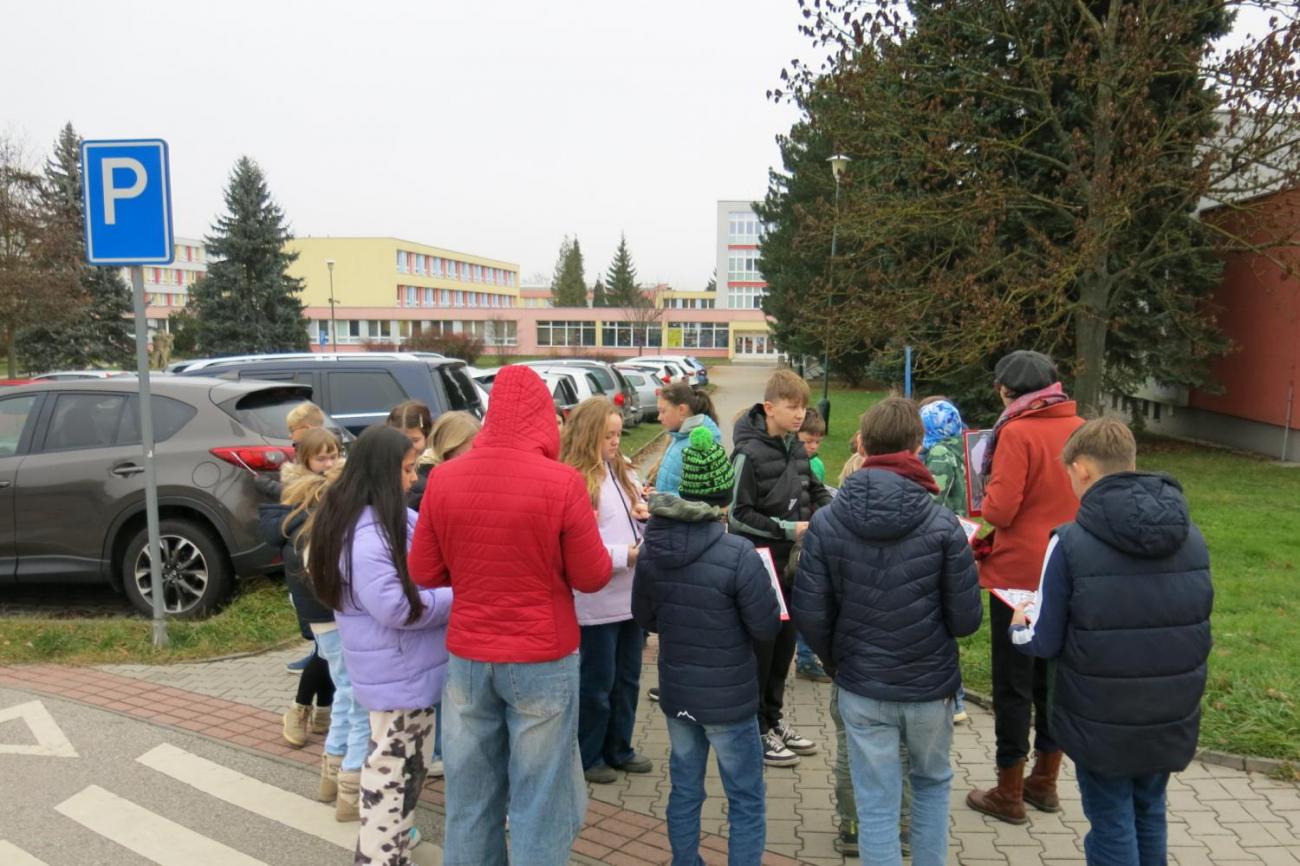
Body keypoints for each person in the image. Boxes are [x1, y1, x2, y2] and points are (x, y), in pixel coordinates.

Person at [409, 365, 613, 866]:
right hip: (542, 657)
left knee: (470, 797)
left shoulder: (445, 478)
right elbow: (592, 576)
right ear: (544, 419)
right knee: (539, 799)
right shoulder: (562, 482)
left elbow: (425, 570)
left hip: (469, 657)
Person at [1009, 418, 1212, 865]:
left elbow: (1042, 640)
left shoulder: (1069, 543)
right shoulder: (1192, 539)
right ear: (1132, 461)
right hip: (1170, 710)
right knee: (1149, 810)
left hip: (1100, 715)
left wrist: (1018, 623)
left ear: (1081, 470)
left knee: (1111, 821)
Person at [794, 398, 982, 866]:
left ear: (864, 445)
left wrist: (838, 662)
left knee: (876, 803)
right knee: (931, 786)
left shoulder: (827, 521)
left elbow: (811, 613)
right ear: (917, 446)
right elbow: (965, 620)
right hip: (928, 688)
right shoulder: (942, 524)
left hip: (862, 684)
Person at [632, 425, 781, 866]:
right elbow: (765, 625)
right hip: (731, 701)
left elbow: (646, 617)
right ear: (724, 499)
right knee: (746, 798)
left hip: (678, 694)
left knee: (684, 789)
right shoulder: (738, 555)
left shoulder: (653, 548)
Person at [305, 426, 453, 863]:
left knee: (405, 771)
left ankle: (394, 844)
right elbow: (397, 608)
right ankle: (379, 856)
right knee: (392, 776)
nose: (413, 479)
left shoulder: (388, 519)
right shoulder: (368, 536)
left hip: (405, 672)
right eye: (407, 470)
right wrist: (461, 595)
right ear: (382, 474)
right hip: (399, 675)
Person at [967, 350, 1084, 825]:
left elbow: (998, 511)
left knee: (1013, 684)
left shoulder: (1015, 431)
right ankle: (1046, 781)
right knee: (1052, 678)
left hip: (1018, 576)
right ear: (1054, 383)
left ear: (1004, 390)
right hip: (1069, 566)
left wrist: (986, 486)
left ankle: (1009, 790)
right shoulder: (1080, 426)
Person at [728, 369, 831, 767]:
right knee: (762, 649)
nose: (800, 415)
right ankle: (755, 727)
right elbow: (736, 515)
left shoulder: (796, 448)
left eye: (804, 408)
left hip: (793, 566)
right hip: (760, 563)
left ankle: (773, 719)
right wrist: (788, 528)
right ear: (770, 408)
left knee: (786, 645)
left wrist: (838, 514)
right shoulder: (747, 453)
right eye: (792, 407)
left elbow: (815, 493)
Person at [261, 466, 371, 821]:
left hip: (320, 624)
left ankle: (332, 773)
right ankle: (350, 790)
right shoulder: (316, 533)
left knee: (343, 695)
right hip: (337, 621)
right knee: (357, 703)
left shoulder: (294, 532)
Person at [560, 397, 653, 785]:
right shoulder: (577, 479)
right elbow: (577, 543)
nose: (616, 441)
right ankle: (589, 753)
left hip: (631, 598)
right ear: (588, 435)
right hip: (596, 602)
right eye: (608, 435)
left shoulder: (622, 472)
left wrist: (646, 521)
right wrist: (623, 556)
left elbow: (634, 519)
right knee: (597, 683)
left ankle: (620, 746)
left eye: (618, 434)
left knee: (628, 678)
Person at [262, 429, 342, 748]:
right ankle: (297, 709)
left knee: (334, 651)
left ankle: (323, 711)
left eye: (333, 455)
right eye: (321, 457)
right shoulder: (296, 491)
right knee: (327, 652)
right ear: (305, 460)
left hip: (339, 584)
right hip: (310, 586)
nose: (329, 462)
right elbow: (284, 532)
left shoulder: (343, 482)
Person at [415, 408, 481, 778]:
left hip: (451, 594)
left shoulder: (439, 479)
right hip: (443, 596)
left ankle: (441, 748)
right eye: (471, 448)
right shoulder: (432, 485)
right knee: (444, 679)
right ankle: (440, 749)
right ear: (452, 448)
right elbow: (426, 559)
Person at [918, 397, 971, 724]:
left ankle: (956, 700)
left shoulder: (938, 453)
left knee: (936, 620)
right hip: (959, 535)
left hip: (939, 541)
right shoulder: (959, 446)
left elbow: (931, 496)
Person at [652, 381, 721, 497]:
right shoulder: (680, 436)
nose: (659, 417)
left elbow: (701, 498)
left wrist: (660, 499)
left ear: (681, 410)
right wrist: (655, 492)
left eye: (663, 411)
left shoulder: (699, 445)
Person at [387, 399, 434, 509]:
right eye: (398, 438)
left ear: (427, 437)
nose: (407, 446)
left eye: (415, 440)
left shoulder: (433, 470)